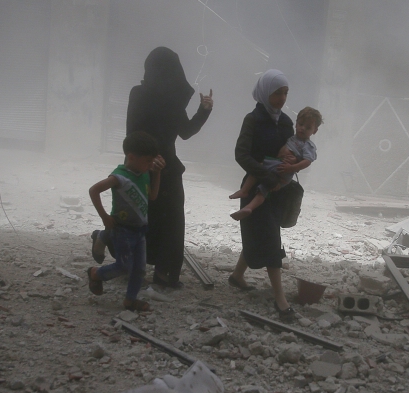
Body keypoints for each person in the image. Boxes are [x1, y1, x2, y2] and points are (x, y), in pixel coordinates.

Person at [92, 47, 213, 289]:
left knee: (171, 221)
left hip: (168, 168)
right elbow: (132, 133)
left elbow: (185, 131)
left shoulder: (173, 99)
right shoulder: (139, 94)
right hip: (142, 167)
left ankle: (164, 273)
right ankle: (106, 237)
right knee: (135, 220)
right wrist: (147, 160)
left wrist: (204, 110)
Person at [228, 70, 298, 321]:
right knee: (270, 238)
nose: (282, 98)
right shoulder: (253, 120)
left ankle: (237, 276)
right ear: (265, 92)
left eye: (285, 93)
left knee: (261, 234)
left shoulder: (286, 122)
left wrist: (291, 166)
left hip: (277, 189)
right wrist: (266, 176)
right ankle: (280, 299)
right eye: (277, 93)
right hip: (256, 187)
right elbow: (241, 154)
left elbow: (294, 150)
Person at [86, 131, 165, 312]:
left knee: (140, 269)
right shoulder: (119, 177)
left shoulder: (144, 173)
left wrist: (157, 173)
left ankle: (130, 300)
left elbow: (153, 196)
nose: (150, 165)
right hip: (122, 230)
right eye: (147, 161)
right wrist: (104, 217)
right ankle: (95, 273)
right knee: (123, 266)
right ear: (131, 157)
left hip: (140, 230)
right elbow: (94, 190)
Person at [229, 106, 322, 221]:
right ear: (296, 123)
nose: (303, 128)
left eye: (308, 127)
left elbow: (307, 161)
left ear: (315, 131)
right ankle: (247, 201)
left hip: (284, 169)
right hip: (277, 164)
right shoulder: (292, 137)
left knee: (262, 174)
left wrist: (292, 167)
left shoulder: (308, 145)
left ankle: (246, 198)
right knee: (262, 182)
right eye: (301, 124)